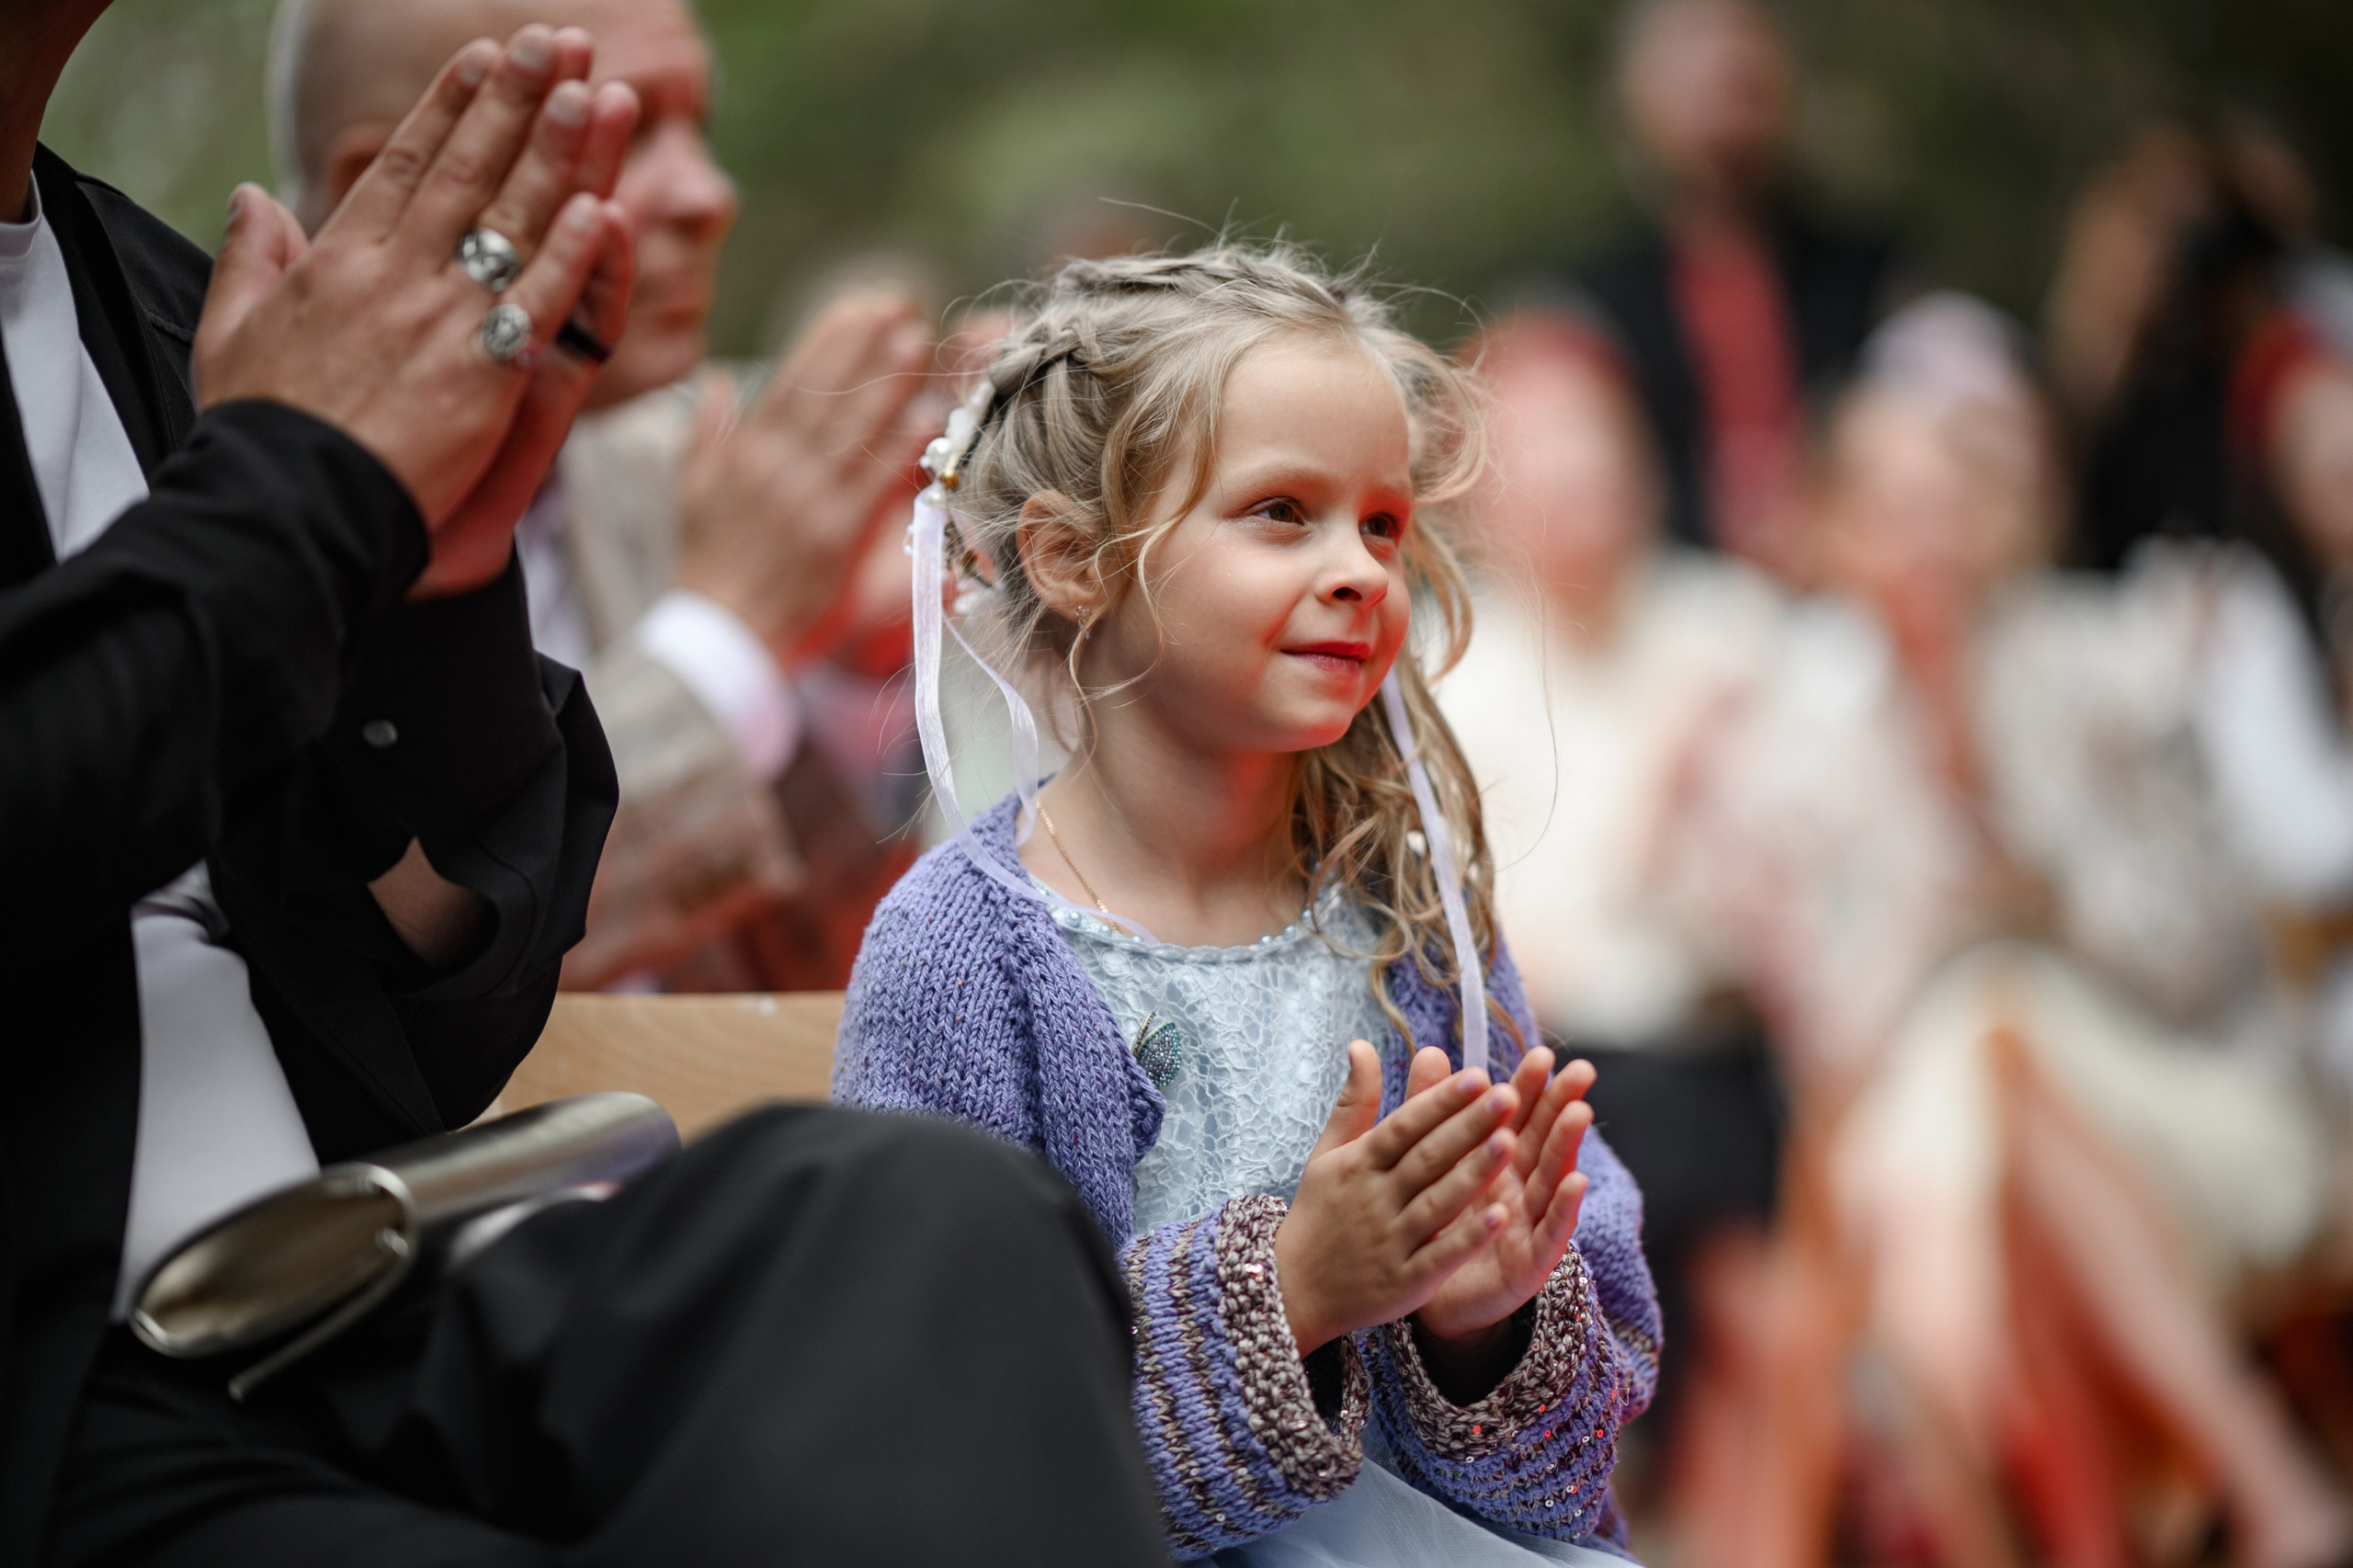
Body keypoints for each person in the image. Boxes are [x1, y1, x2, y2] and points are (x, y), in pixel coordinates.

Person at [1, 12, 1168, 1563]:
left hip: (340, 1294)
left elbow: (421, 1035)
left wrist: (434, 599)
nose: (704, 198)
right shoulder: (289, 397)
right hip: (62, 1383)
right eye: (622, 131)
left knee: (944, 1222)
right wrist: (305, 495)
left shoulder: (154, 301)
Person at [834, 244, 1661, 1564]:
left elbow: (1559, 1486)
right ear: (1070, 558)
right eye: (1283, 511)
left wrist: (1482, 1320)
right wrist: (1295, 1289)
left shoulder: (1416, 923)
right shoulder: (964, 954)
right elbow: (945, 1443)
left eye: (1382, 523)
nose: (1359, 571)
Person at [1671, 294, 2352, 1568]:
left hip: (2176, 1108)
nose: (1926, 535)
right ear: (1832, 530)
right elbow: (1834, 1048)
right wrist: (1944, 885)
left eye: (1950, 498)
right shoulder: (1796, 737)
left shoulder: (2101, 665)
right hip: (1916, 1149)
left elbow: (2201, 964)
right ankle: (2268, 1489)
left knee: (2005, 1055)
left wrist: (2036, 889)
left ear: (1998, 507)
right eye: (1888, 506)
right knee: (1992, 1081)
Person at [268, 0, 938, 993]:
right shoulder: (241, 548)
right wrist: (730, 635)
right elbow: (417, 975)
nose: (709, 196)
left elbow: (839, 963)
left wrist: (845, 661)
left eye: (697, 126)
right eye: (620, 133)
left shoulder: (655, 465)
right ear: (387, 185)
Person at [1438, 313, 1784, 1551]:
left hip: (1730, 1041)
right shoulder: (1451, 666)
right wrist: (1659, 812)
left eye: (1599, 445)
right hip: (1564, 1048)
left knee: (1707, 1168)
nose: (1580, 481)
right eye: (1545, 454)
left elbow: (1765, 904)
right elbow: (1506, 930)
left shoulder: (1733, 627)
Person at [1574, 0, 1898, 582]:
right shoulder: (1585, 305)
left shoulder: (1877, 279)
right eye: (1694, 49)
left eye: (1747, 45)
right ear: (1633, 91)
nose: (1728, 64)